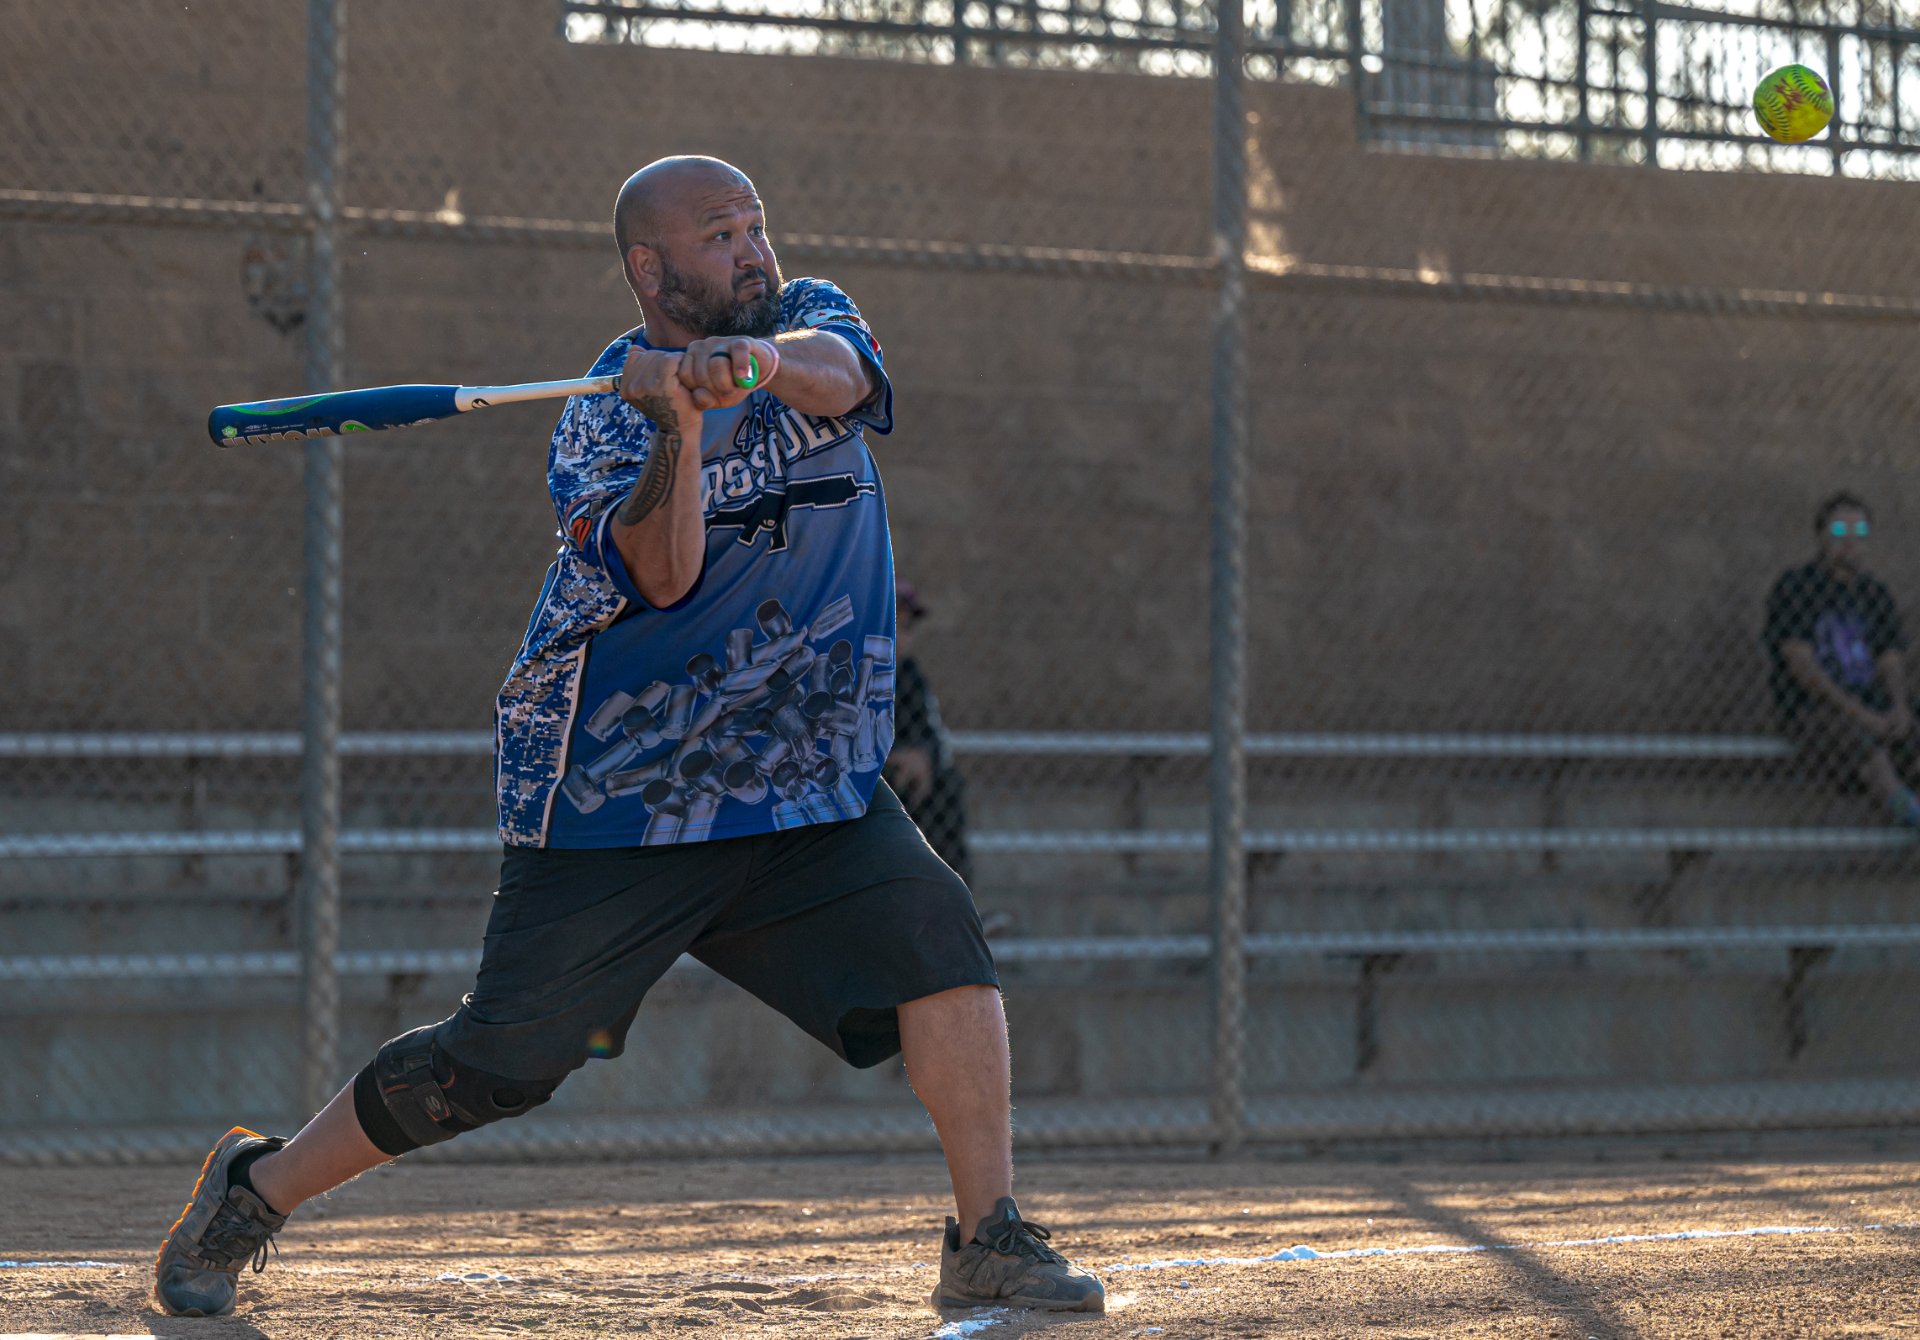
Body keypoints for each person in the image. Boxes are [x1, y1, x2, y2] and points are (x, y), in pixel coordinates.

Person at [153, 156, 1103, 1319]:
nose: (754, 249)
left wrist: (750, 366)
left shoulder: (810, 320)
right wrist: (679, 427)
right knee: (497, 1064)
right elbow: (664, 573)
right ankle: (257, 1184)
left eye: (757, 225)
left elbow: (843, 379)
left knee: (939, 933)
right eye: (720, 234)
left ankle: (986, 1234)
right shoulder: (602, 420)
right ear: (653, 269)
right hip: (628, 789)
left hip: (808, 772)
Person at [1765, 490, 1920, 826]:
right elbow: (1803, 667)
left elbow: (1890, 658)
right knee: (1856, 737)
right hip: (1814, 708)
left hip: (1872, 703)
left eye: (1859, 532)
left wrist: (1900, 706)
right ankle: (1907, 811)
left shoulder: (1875, 593)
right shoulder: (1796, 586)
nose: (1850, 540)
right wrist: (1862, 714)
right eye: (1839, 531)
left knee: (1909, 722)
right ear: (1821, 536)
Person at [886, 579, 973, 884]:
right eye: (893, 623)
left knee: (946, 784)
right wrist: (894, 757)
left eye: (907, 628)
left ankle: (957, 899)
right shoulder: (850, 669)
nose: (901, 637)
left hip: (911, 785)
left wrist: (924, 756)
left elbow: (933, 734)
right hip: (873, 782)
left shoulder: (909, 675)